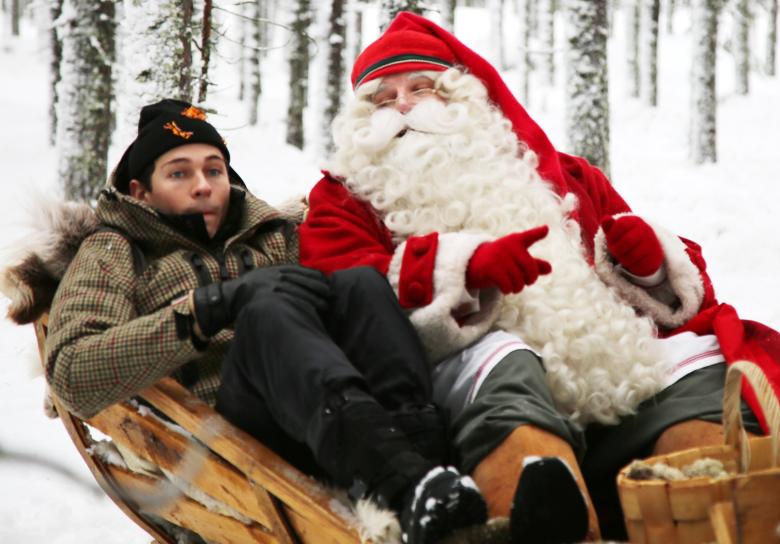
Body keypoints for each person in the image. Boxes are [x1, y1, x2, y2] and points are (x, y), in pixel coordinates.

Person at [298, 13, 780, 540]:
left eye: (422, 89)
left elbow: (680, 292)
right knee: (507, 369)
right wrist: (461, 270)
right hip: (463, 362)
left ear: (465, 97)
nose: (402, 110)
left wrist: (646, 264)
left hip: (605, 366)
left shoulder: (561, 174)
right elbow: (346, 289)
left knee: (698, 374)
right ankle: (550, 511)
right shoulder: (344, 199)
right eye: (383, 99)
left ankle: (708, 510)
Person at [29, 99, 487, 544]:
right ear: (140, 192)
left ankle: (427, 469)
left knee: (359, 284)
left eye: (214, 169)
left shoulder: (271, 237)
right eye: (178, 173)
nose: (204, 185)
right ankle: (405, 482)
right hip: (229, 442)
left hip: (326, 420)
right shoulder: (115, 250)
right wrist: (205, 310)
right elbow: (71, 371)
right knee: (267, 309)